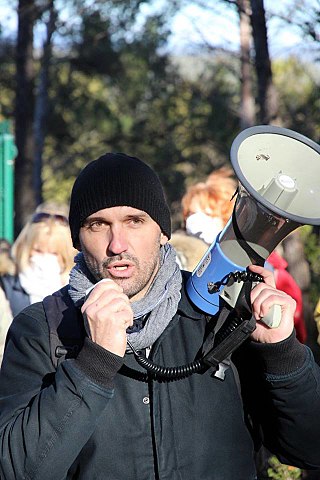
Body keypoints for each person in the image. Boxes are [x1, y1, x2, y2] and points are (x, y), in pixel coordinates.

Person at [0, 152, 320, 480]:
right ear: (78, 239)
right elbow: (14, 469)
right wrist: (92, 366)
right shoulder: (44, 328)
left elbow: (309, 449)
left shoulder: (222, 315)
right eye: (98, 225)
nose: (117, 244)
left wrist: (283, 353)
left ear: (163, 232)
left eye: (134, 221)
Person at [0, 201, 77, 317]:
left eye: (54, 253)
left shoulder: (78, 292)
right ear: (25, 248)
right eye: (38, 251)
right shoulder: (6, 286)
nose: (44, 259)